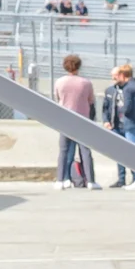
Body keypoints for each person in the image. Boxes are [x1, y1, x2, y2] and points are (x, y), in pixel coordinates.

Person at [53, 55, 98, 190]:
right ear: (79, 66)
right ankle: (90, 180)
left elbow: (57, 98)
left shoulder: (60, 82)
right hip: (82, 119)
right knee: (85, 150)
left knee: (64, 151)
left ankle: (61, 179)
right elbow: (91, 101)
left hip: (65, 118)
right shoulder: (86, 83)